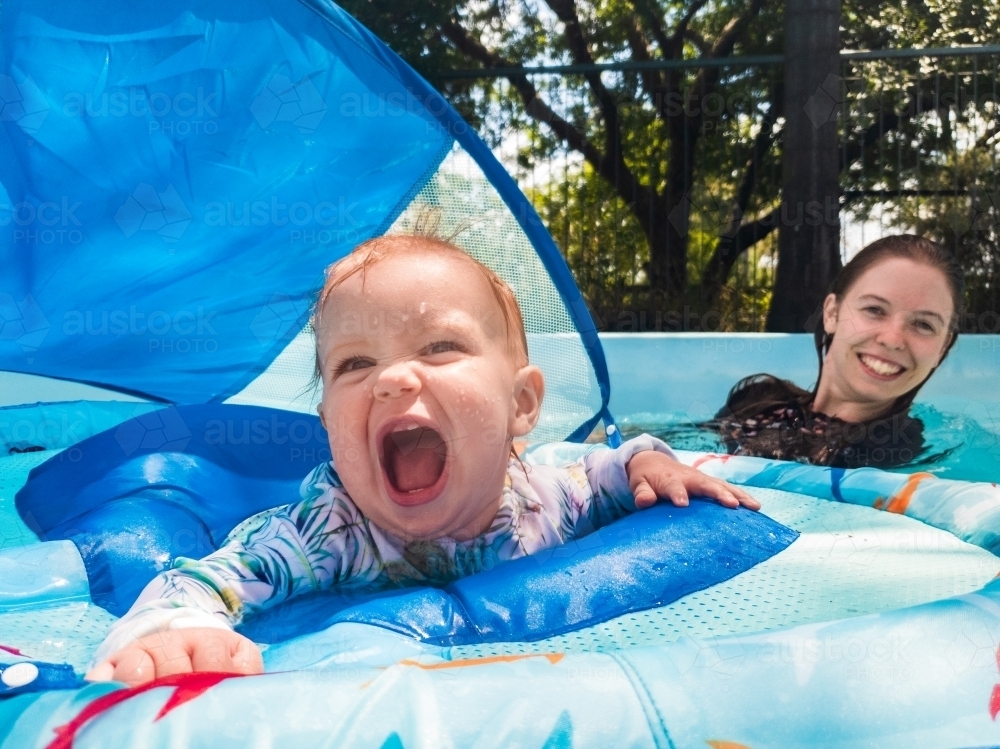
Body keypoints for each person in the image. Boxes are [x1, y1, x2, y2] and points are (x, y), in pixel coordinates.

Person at [87, 234, 758, 686]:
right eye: (354, 364)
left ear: (522, 405)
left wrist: (648, 461)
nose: (392, 379)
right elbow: (210, 579)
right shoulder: (326, 534)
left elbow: (607, 473)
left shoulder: (545, 496)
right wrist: (174, 628)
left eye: (438, 348)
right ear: (330, 430)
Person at [710, 234, 963, 469]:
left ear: (942, 348)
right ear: (832, 313)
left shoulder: (889, 451)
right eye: (874, 310)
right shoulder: (755, 400)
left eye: (923, 324)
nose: (893, 339)